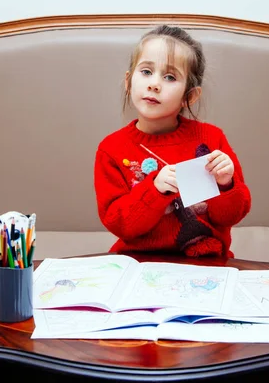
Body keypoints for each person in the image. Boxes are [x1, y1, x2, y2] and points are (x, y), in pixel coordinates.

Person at [94, 25, 251, 258]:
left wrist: (225, 184)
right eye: (146, 71)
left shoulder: (211, 138)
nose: (154, 84)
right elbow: (119, 224)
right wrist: (155, 188)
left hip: (205, 264)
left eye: (169, 77)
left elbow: (231, 215)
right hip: (138, 264)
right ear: (128, 81)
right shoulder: (111, 149)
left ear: (189, 96)